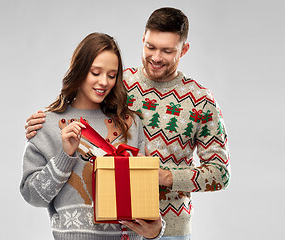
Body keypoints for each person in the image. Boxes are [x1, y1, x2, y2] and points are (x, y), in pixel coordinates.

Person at [25, 8, 230, 240]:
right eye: (150, 46)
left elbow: (221, 173)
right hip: (117, 224)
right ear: (143, 38)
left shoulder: (201, 100)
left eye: (167, 50)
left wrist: (165, 177)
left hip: (171, 228)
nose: (156, 57)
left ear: (184, 49)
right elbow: (83, 104)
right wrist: (44, 121)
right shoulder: (120, 83)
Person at [20, 32, 165, 240]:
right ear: (79, 70)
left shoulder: (130, 124)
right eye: (95, 72)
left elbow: (142, 199)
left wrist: (156, 232)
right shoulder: (47, 125)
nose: (104, 82)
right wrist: (65, 156)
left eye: (112, 75)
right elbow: (33, 196)